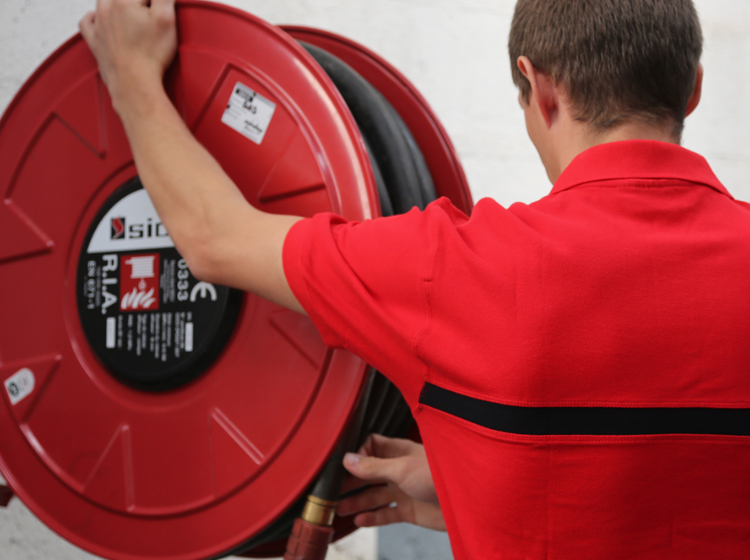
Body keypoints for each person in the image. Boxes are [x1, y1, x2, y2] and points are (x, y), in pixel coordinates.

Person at [79, 0, 750, 558]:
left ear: (540, 88)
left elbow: (213, 239)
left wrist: (133, 76)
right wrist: (477, 483)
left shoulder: (456, 267)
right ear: (692, 88)